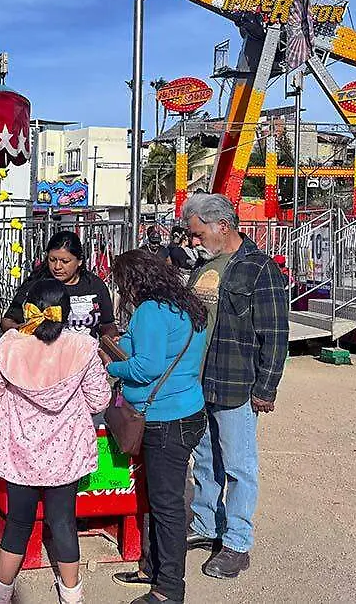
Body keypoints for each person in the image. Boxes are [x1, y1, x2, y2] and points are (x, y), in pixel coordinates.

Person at [0, 278, 111, 604]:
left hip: (18, 449)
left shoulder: (9, 345)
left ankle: (0, 590)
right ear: (66, 311)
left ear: (29, 309)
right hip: (65, 450)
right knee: (63, 520)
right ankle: (72, 594)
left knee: (19, 520)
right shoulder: (82, 348)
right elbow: (99, 400)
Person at [182, 193, 289, 580]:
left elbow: (276, 333)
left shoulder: (259, 270)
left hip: (237, 383)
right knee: (206, 460)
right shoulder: (202, 270)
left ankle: (237, 542)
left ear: (222, 226)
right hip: (199, 383)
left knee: (239, 466)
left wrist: (266, 387)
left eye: (197, 234)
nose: (193, 242)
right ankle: (207, 525)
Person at [105, 251, 209, 604]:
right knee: (165, 498)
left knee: (166, 506)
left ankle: (169, 590)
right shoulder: (185, 306)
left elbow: (146, 368)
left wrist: (113, 368)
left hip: (164, 418)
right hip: (189, 409)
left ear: (133, 282)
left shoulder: (150, 310)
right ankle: (153, 566)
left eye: (121, 283)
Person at [1, 231, 116, 339]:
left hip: (85, 355)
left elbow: (108, 325)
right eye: (52, 260)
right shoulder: (36, 285)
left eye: (65, 261)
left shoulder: (95, 285)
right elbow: (8, 321)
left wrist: (107, 341)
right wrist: (23, 331)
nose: (57, 267)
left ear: (79, 261)